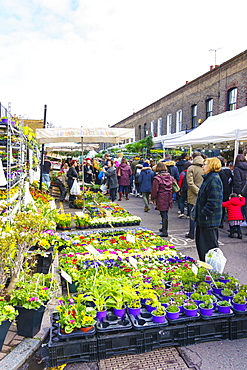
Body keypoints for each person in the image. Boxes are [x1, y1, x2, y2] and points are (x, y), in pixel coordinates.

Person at [194, 157, 223, 262]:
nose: (202, 166)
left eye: (204, 164)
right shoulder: (209, 178)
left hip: (209, 220)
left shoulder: (214, 179)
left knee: (209, 248)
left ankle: (212, 271)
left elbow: (214, 201)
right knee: (202, 246)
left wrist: (204, 213)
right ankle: (206, 269)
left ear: (211, 166)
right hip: (205, 220)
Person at [151, 161, 175, 237]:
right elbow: (175, 186)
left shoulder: (157, 178)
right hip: (168, 196)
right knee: (165, 213)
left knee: (163, 214)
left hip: (161, 196)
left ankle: (165, 231)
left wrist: (152, 198)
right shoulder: (170, 177)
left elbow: (155, 190)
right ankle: (163, 228)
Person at [185, 152, 204, 239]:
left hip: (193, 194)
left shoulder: (191, 168)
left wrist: (197, 191)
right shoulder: (205, 167)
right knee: (201, 214)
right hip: (204, 194)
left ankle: (192, 233)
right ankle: (200, 233)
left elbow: (190, 183)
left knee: (192, 215)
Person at [217, 156, 233, 228]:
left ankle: (219, 221)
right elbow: (232, 179)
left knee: (219, 206)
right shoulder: (228, 170)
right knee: (225, 205)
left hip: (219, 190)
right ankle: (223, 220)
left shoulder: (218, 172)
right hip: (227, 190)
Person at [233, 154, 247, 225]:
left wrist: (237, 192)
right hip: (246, 188)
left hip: (241, 189)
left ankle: (241, 220)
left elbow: (237, 181)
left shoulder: (237, 168)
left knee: (241, 206)